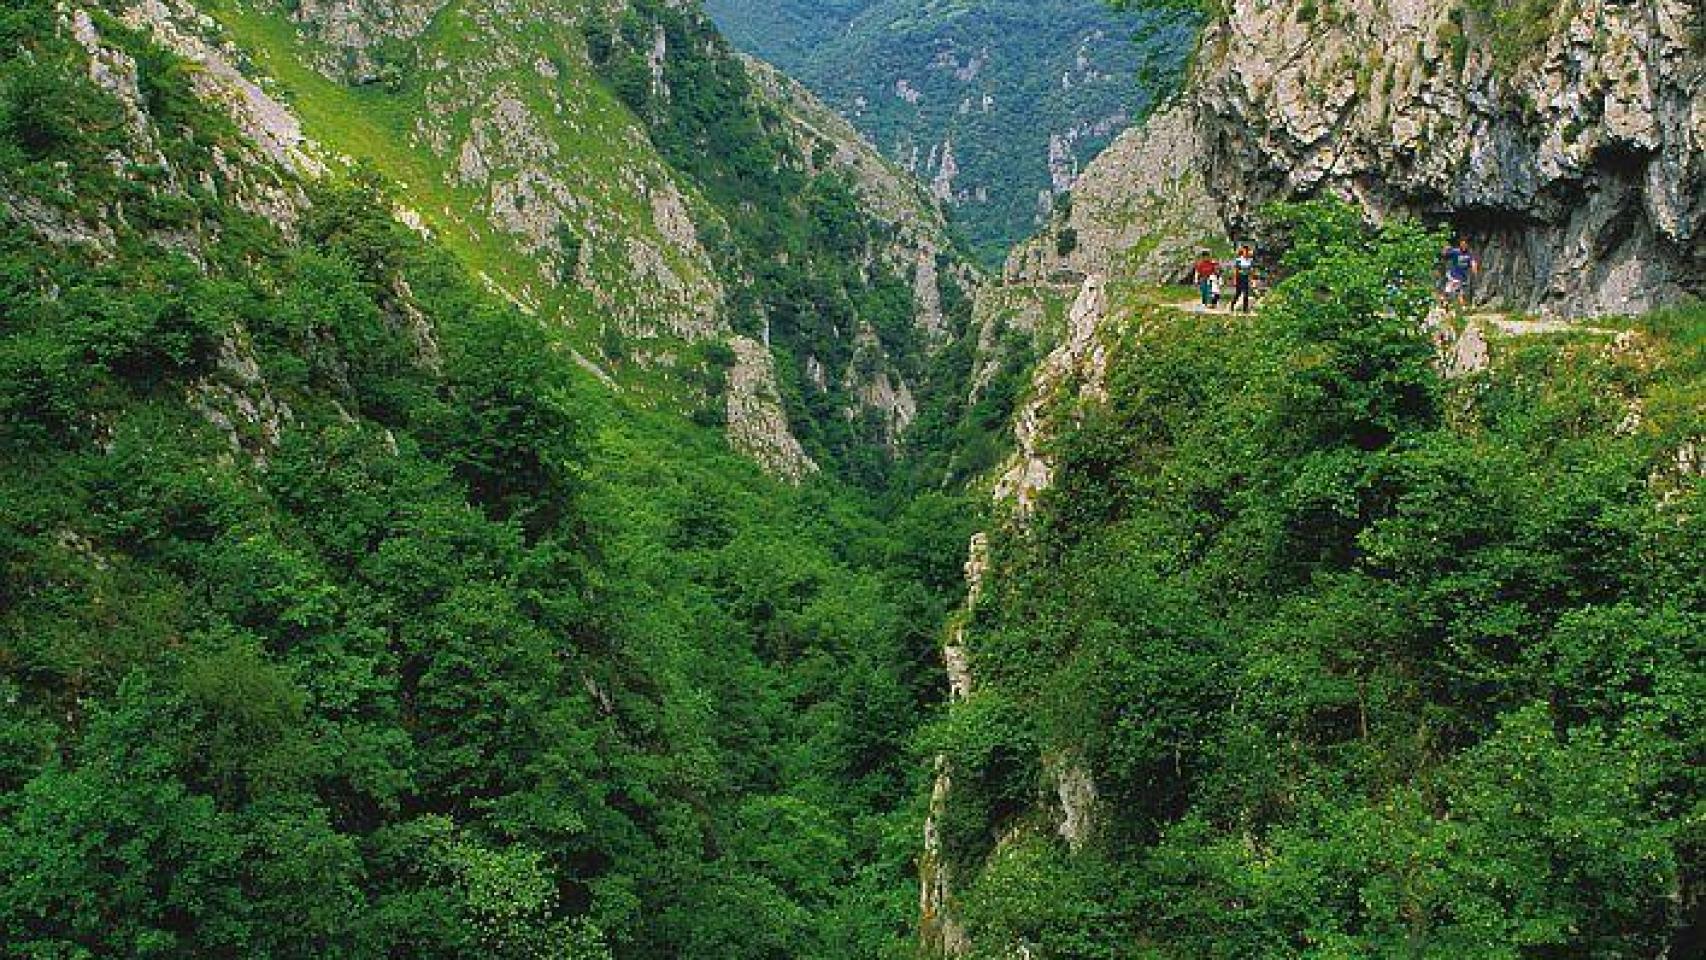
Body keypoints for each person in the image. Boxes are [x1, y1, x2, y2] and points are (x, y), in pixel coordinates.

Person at [1440, 237, 1479, 308]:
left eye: (1465, 244)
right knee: (1453, 287)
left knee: (1459, 292)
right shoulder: (1455, 251)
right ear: (1460, 245)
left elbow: (1473, 262)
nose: (1463, 246)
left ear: (1467, 245)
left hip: (1462, 276)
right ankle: (1445, 300)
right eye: (1462, 244)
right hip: (1453, 274)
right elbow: (1444, 254)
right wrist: (1445, 248)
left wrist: (1474, 268)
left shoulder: (1469, 254)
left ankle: (1450, 303)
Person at [1231, 244, 1256, 313]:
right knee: (1238, 293)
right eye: (1245, 251)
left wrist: (1251, 279)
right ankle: (1232, 305)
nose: (1246, 253)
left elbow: (1251, 271)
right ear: (1243, 252)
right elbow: (1236, 270)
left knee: (1246, 293)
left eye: (1247, 251)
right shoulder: (1239, 260)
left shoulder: (1250, 261)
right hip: (1239, 277)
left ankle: (1245, 309)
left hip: (1246, 278)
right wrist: (1235, 280)